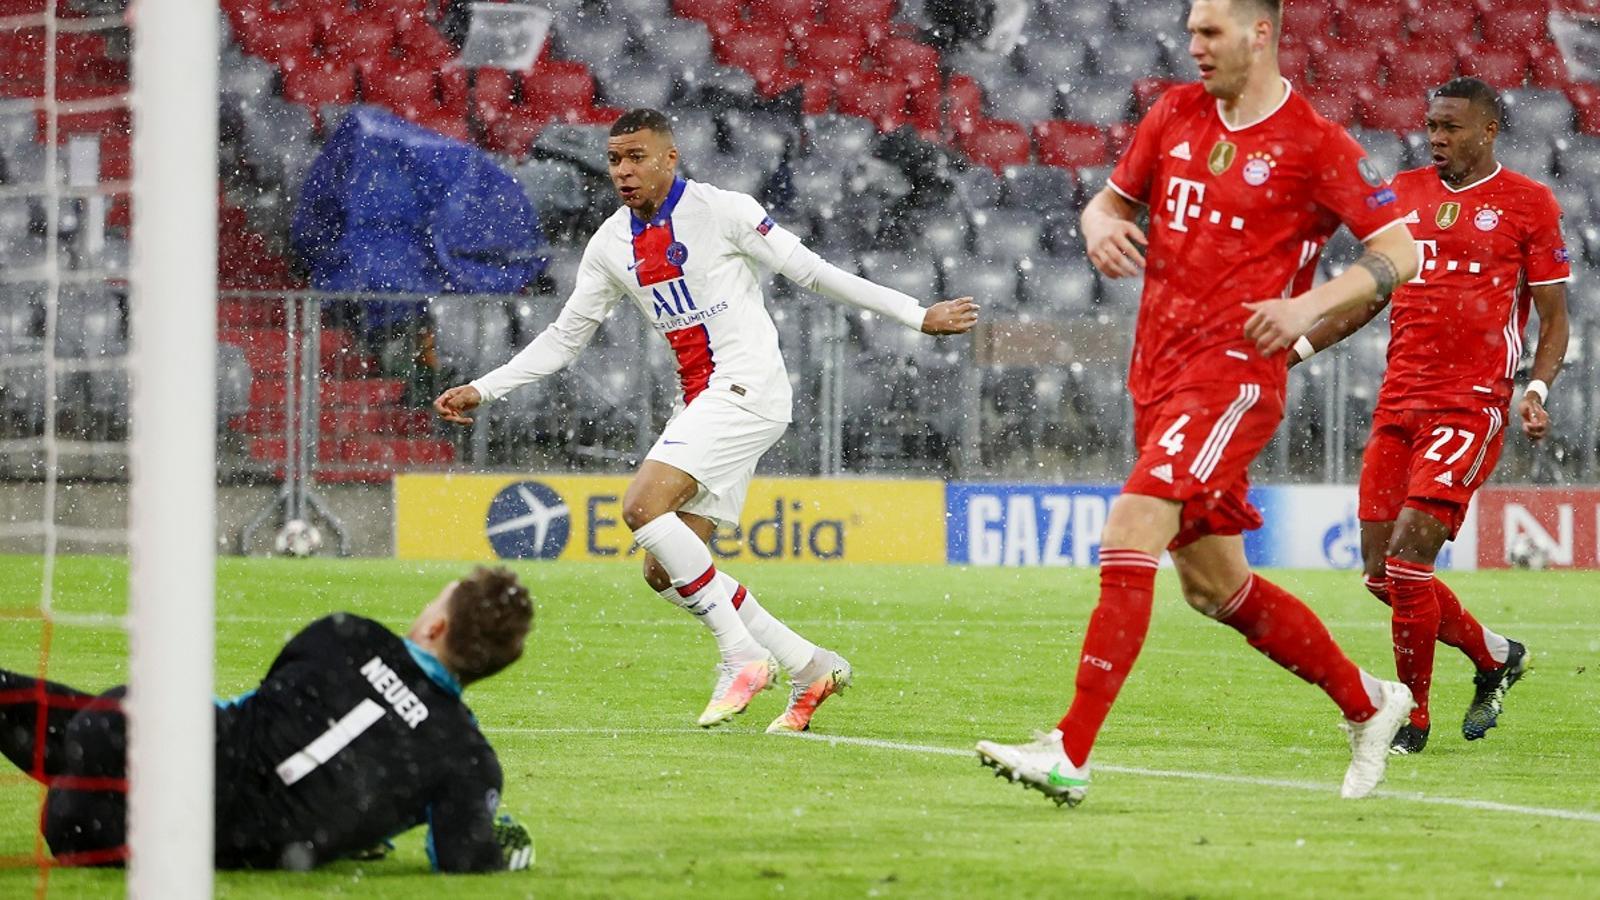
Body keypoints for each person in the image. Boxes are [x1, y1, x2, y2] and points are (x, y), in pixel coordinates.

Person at [975, 0, 1420, 806]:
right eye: (1190, 31)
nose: (1194, 47)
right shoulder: (1175, 112)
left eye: (1210, 32)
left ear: (1261, 33)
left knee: (1132, 524)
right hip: (1159, 375)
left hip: (1234, 379)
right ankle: (1370, 700)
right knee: (1214, 588)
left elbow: (1401, 250)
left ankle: (1069, 749)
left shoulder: (1316, 146)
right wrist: (1095, 225)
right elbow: (1109, 202)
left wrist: (1306, 306)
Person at [433, 108, 979, 732]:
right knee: (665, 571)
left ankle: (742, 657)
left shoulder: (726, 211)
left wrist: (916, 314)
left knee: (642, 508)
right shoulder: (611, 243)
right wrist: (485, 387)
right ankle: (809, 666)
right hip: (701, 400)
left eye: (637, 157)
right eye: (614, 160)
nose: (624, 171)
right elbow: (564, 338)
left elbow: (812, 273)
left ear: (671, 158)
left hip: (748, 386)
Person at [1288, 77, 1566, 754]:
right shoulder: (1404, 195)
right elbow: (1367, 298)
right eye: (1431, 127)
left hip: (1470, 405)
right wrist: (1294, 347)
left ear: (1489, 130)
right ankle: (1495, 654)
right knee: (1381, 575)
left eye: (1451, 128)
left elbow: (1555, 318)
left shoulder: (1529, 203)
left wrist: (1537, 388)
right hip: (1399, 403)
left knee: (1411, 563)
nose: (1436, 139)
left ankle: (1411, 718)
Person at [0, 567, 536, 872]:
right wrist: (510, 848)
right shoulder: (470, 760)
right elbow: (463, 859)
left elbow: (275, 704)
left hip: (119, 741)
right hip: (108, 839)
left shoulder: (348, 633)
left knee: (138, 722)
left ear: (435, 627)